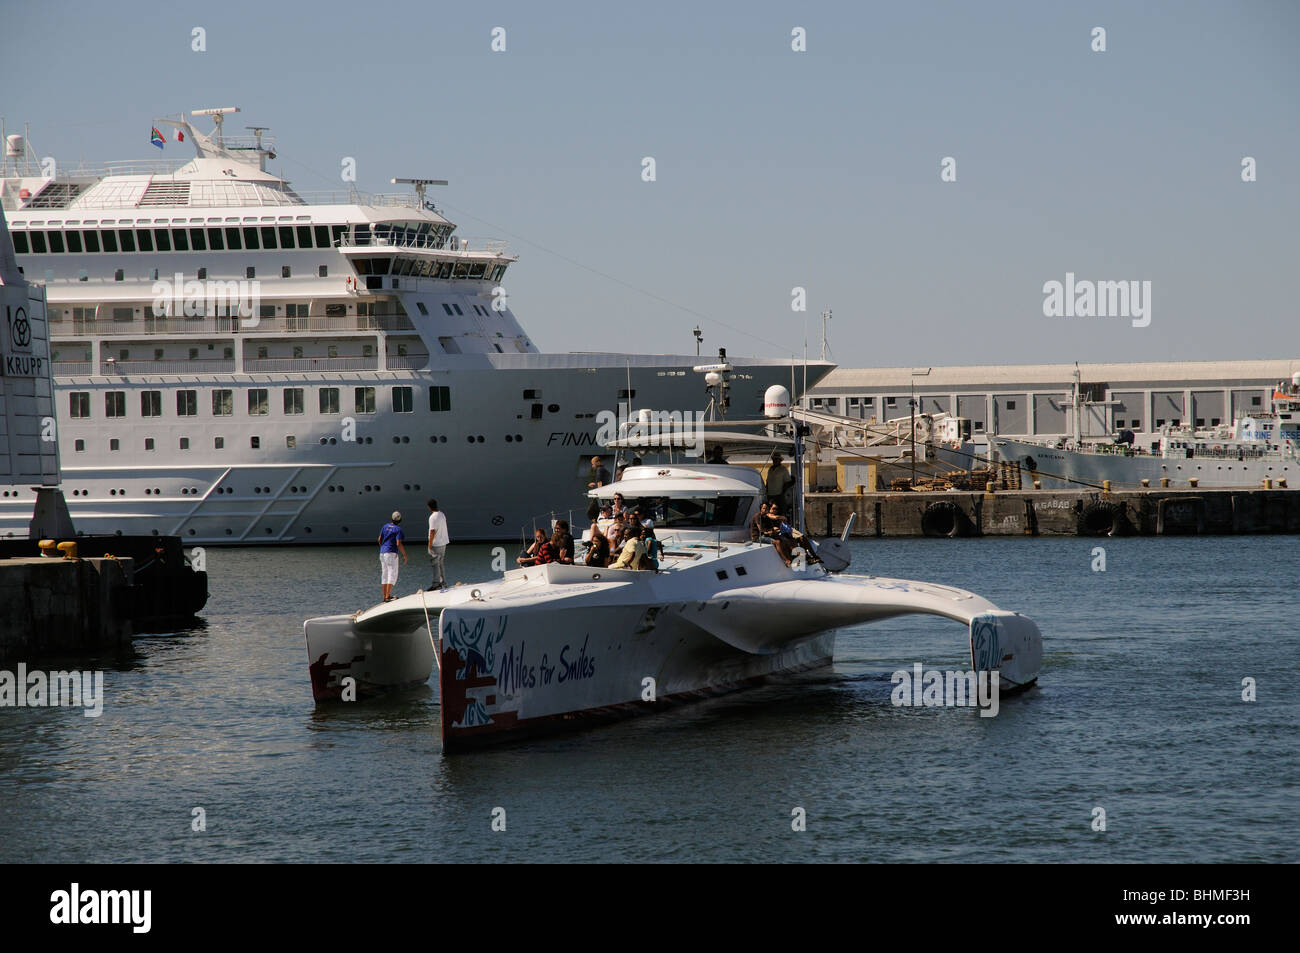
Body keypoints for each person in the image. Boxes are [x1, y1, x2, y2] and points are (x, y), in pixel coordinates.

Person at [377, 511, 407, 602]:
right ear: (400, 520)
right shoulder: (398, 529)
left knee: (384, 574)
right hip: (391, 553)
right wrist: (404, 555)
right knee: (392, 574)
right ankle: (387, 596)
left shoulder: (385, 526)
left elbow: (379, 539)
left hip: (382, 553)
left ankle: (384, 596)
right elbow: (398, 543)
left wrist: (383, 548)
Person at [426, 498, 450, 591]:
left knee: (435, 564)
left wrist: (429, 544)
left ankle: (436, 584)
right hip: (443, 542)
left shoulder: (432, 517)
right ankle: (443, 582)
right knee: (441, 563)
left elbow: (432, 531)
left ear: (429, 507)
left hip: (436, 543)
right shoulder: (442, 514)